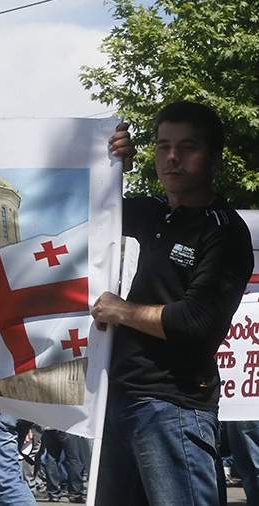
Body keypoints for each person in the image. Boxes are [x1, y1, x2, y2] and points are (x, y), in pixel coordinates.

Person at [93, 101, 254, 505]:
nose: (172, 157)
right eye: (163, 146)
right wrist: (109, 167)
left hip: (174, 408)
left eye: (187, 147)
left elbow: (197, 322)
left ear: (214, 157)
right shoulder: (146, 213)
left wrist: (121, 310)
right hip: (114, 399)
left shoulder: (224, 232)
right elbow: (83, 213)